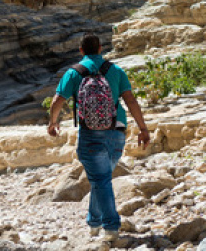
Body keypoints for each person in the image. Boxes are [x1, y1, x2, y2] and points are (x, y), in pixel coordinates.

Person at [47, 34, 151, 241]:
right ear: (101, 48)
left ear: (81, 50)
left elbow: (58, 100)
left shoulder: (73, 72)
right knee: (101, 179)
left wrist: (53, 122)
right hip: (117, 129)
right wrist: (143, 128)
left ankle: (111, 227)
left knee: (101, 179)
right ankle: (93, 221)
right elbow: (130, 100)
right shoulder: (116, 70)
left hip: (90, 132)